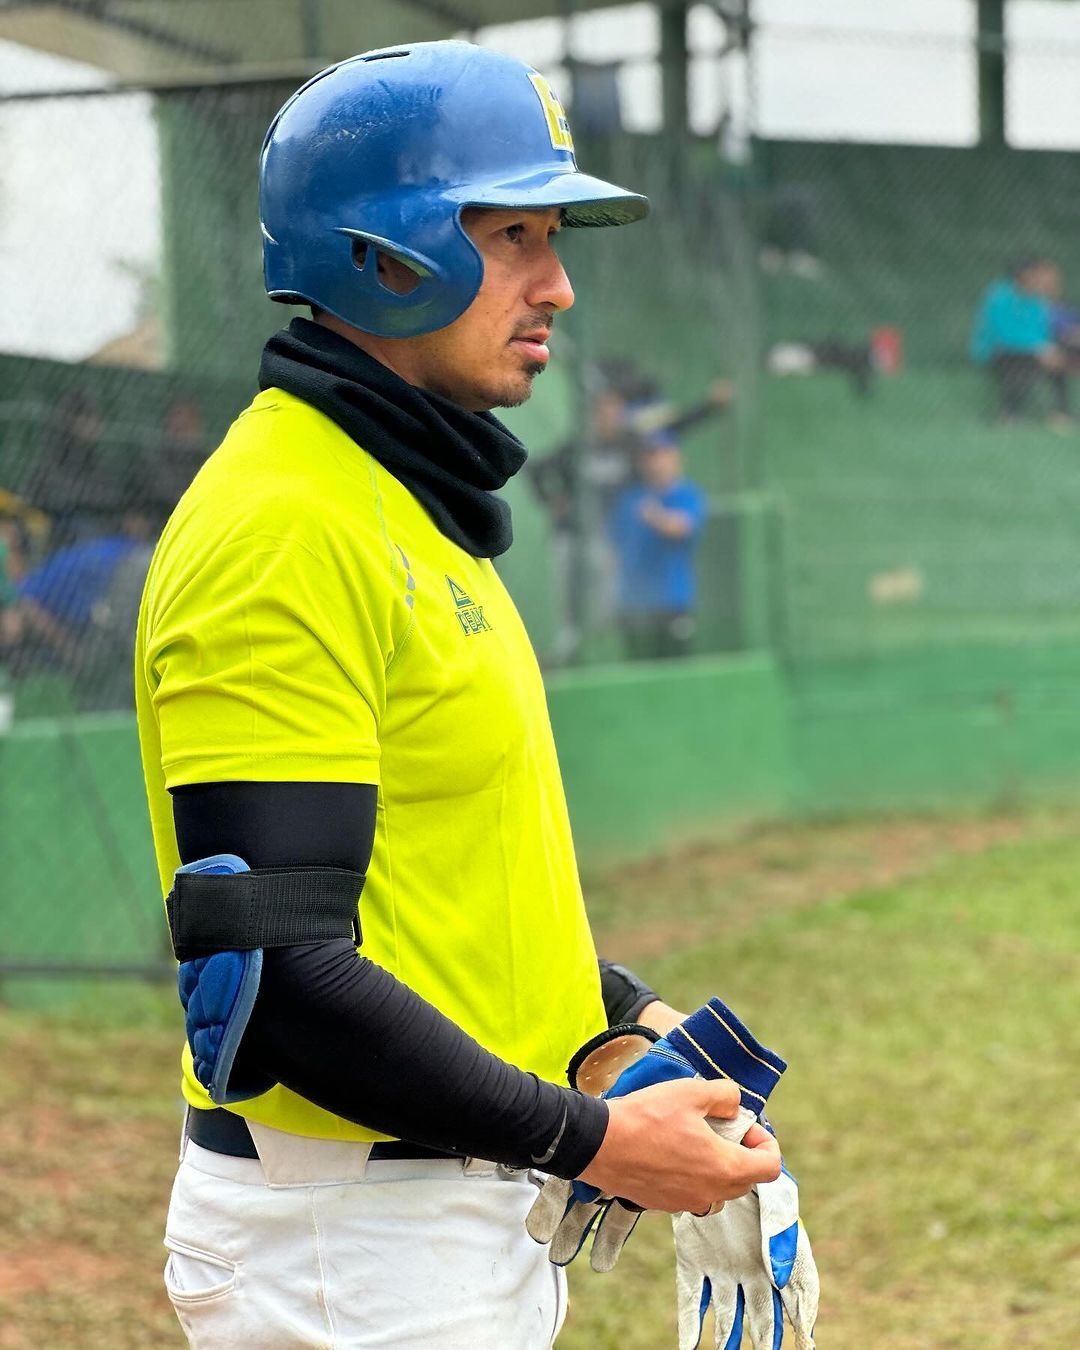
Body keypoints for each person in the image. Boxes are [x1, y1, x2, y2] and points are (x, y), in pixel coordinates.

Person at [135, 43, 782, 1349]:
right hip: (351, 1255)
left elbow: (444, 889)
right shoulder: (285, 523)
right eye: (517, 235)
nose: (560, 283)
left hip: (426, 1222)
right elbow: (271, 981)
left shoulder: (405, 508)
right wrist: (595, 1138)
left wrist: (614, 1018)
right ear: (386, 252)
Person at [527, 359, 733, 663]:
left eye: (614, 409)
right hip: (572, 535)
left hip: (608, 538)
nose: (608, 416)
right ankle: (570, 653)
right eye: (601, 410)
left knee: (609, 600)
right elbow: (535, 470)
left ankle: (601, 651)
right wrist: (554, 501)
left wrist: (710, 407)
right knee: (572, 600)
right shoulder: (578, 447)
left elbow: (672, 428)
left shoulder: (630, 443)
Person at [609, 432, 708, 660]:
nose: (656, 462)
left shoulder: (688, 495)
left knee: (675, 665)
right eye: (649, 456)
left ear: (676, 458)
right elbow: (614, 548)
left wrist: (654, 516)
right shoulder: (630, 499)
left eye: (662, 455)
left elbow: (682, 527)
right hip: (633, 605)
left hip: (673, 601)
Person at [970, 256, 1071, 425]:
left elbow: (1041, 331)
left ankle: (1061, 414)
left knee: (1056, 360)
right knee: (1025, 363)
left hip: (1028, 350)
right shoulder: (999, 296)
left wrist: (1047, 348)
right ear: (1022, 276)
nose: (1038, 280)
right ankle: (1009, 414)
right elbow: (1003, 334)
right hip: (996, 351)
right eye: (1034, 275)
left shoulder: (1036, 299)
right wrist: (1038, 348)